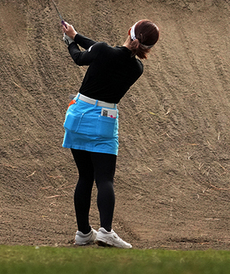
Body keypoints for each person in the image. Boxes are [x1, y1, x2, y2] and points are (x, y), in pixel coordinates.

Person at [60, 18, 160, 249]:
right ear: (148, 48)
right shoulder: (137, 68)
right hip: (105, 120)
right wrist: (75, 36)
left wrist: (70, 43)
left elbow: (81, 57)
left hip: (79, 114)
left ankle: (83, 233)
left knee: (85, 177)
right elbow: (107, 53)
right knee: (104, 179)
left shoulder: (103, 50)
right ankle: (105, 231)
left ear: (129, 31)